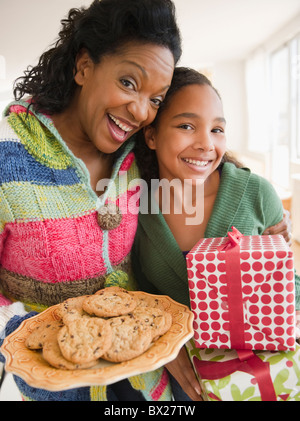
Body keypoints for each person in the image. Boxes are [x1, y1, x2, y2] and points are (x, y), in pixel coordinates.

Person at [0, 0, 182, 401]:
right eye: (129, 83)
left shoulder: (140, 154)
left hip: (148, 385)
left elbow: (200, 168)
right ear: (84, 66)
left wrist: (263, 213)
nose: (140, 112)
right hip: (50, 389)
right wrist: (26, 333)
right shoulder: (7, 156)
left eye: (156, 99)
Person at [132, 67, 300, 400]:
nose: (206, 144)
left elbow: (288, 286)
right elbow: (136, 291)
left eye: (217, 129)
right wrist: (162, 346)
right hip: (174, 377)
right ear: (151, 135)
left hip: (255, 376)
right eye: (186, 126)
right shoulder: (134, 205)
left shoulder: (257, 194)